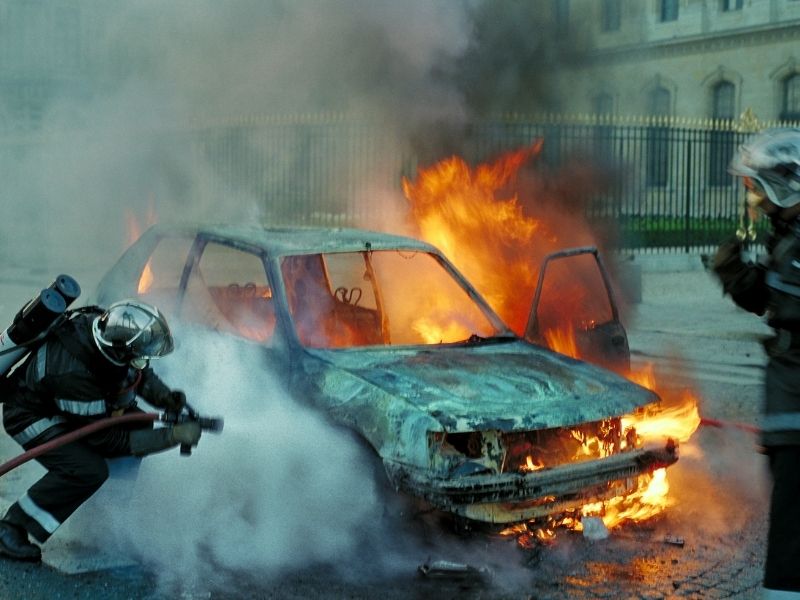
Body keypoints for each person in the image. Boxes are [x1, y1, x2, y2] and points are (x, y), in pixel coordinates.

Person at [0, 299, 201, 562]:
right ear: (119, 351)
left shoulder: (106, 334)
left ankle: (107, 520)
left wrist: (167, 399)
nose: (142, 362)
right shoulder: (72, 372)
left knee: (137, 421)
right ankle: (11, 527)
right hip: (29, 415)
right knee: (86, 469)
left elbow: (138, 373)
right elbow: (106, 440)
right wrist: (171, 436)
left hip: (63, 403)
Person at [712, 127, 800, 598]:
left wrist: (758, 280)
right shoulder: (788, 236)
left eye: (760, 189)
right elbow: (768, 298)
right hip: (788, 392)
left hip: (797, 397)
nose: (757, 202)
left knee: (791, 517)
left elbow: (784, 300)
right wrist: (735, 274)